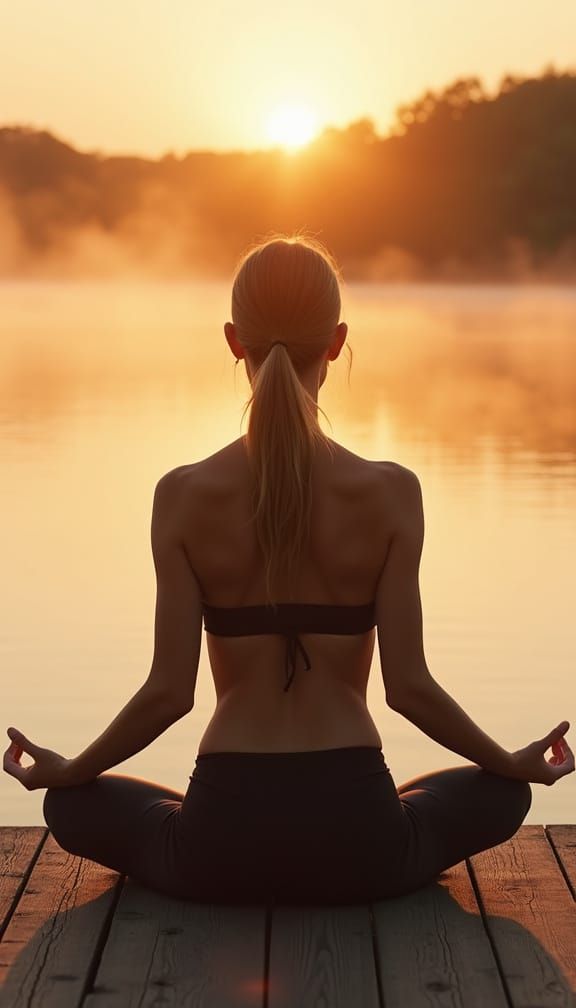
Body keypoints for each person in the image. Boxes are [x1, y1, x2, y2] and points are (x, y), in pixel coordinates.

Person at [3, 233, 574, 906]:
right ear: (336, 342)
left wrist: (72, 770)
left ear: (233, 341)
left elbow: (168, 694)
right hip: (360, 839)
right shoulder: (391, 492)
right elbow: (410, 689)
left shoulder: (183, 495)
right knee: (500, 794)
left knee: (71, 809)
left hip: (221, 840)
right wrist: (510, 763)